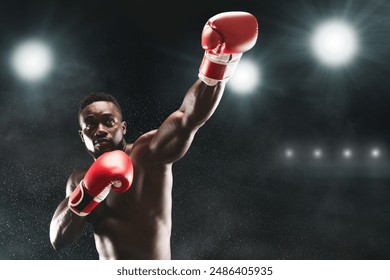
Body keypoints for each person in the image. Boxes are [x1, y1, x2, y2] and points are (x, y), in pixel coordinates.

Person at [49, 11, 258, 260]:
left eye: (108, 121)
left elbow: (187, 118)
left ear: (123, 128)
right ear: (81, 134)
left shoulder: (148, 153)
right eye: (90, 125)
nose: (100, 130)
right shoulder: (79, 181)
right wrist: (86, 194)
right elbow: (57, 239)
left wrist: (219, 60)